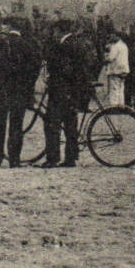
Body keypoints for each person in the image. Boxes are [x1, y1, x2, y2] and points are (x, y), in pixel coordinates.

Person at [0, 18, 41, 167]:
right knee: (16, 126)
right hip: (19, 92)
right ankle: (14, 160)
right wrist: (28, 86)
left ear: (9, 27)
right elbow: (35, 68)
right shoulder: (27, 45)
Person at [41, 20, 96, 167]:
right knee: (71, 124)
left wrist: (53, 77)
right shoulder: (77, 42)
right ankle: (70, 158)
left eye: (55, 31)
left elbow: (65, 69)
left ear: (59, 30)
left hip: (61, 89)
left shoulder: (65, 45)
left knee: (52, 123)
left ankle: (52, 158)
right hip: (73, 91)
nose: (54, 34)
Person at [101, 30, 130, 108]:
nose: (111, 38)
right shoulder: (124, 45)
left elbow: (110, 58)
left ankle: (114, 106)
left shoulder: (115, 46)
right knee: (121, 88)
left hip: (115, 70)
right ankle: (121, 105)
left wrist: (105, 57)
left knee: (114, 89)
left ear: (116, 36)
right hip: (124, 70)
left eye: (112, 36)